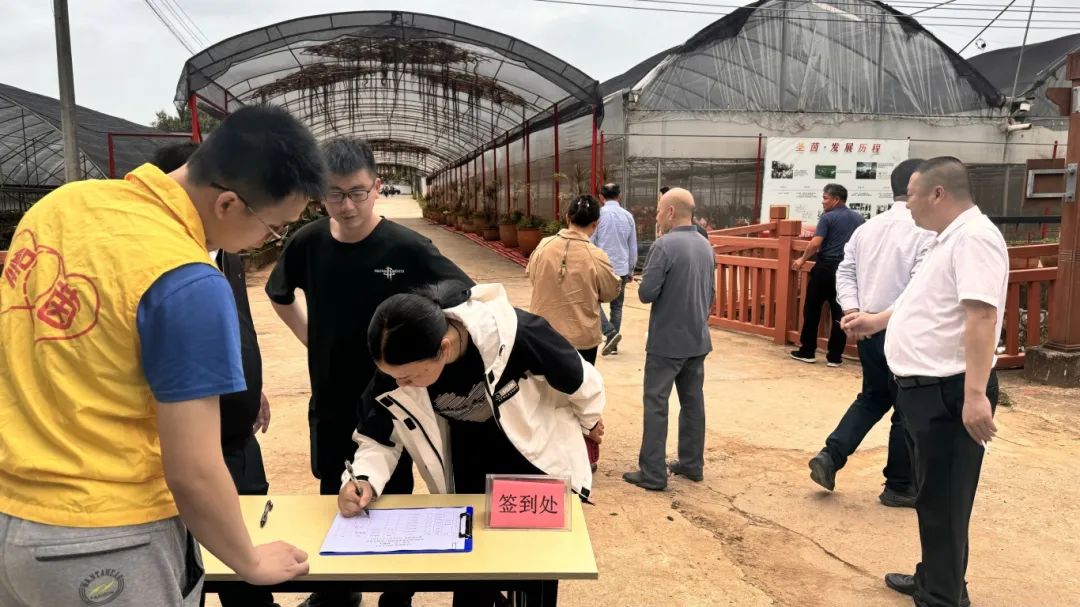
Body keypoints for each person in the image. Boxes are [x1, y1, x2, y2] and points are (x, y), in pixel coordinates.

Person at [0, 104, 323, 606]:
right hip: (104, 540)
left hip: (10, 515)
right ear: (228, 204)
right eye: (274, 227)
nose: (268, 241)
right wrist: (250, 562)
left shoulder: (62, 206)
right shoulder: (187, 278)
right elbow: (193, 470)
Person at [265, 137, 471, 607]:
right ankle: (337, 592)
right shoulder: (308, 243)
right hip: (332, 397)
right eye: (335, 194)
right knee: (335, 492)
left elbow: (463, 292)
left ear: (377, 187)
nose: (347, 205)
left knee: (392, 496)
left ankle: (396, 595)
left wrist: (427, 352)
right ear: (319, 193)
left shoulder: (407, 247)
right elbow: (280, 294)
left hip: (392, 399)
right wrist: (310, 337)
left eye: (358, 192)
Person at [341, 281, 604, 606]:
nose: (400, 384)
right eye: (394, 376)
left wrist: (591, 421)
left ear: (444, 348)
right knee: (472, 564)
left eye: (409, 377)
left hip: (531, 459)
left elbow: (579, 379)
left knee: (538, 564)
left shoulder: (514, 334)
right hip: (469, 462)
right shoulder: (398, 368)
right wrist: (364, 478)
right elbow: (377, 435)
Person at [842, 157, 1007, 607]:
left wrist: (975, 395)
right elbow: (923, 302)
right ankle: (936, 578)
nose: (906, 204)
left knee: (944, 504)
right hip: (925, 391)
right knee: (934, 498)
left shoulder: (974, 239)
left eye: (911, 195)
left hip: (949, 391)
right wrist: (877, 320)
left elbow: (982, 316)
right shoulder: (945, 239)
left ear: (938, 193)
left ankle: (941, 597)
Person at [150, 142, 278, 607]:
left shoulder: (228, 252)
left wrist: (251, 385)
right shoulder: (172, 267)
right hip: (196, 439)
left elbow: (241, 326)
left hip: (238, 434)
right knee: (197, 559)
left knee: (250, 534)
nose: (266, 237)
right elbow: (190, 469)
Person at [807, 159, 934, 508]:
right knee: (906, 408)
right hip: (905, 333)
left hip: (868, 332)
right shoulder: (927, 232)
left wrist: (853, 312)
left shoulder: (868, 228)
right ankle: (900, 484)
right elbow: (919, 288)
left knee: (874, 396)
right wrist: (878, 318)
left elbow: (845, 271)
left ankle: (831, 455)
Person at [623, 188, 715, 491]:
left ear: (671, 212)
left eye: (659, 210)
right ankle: (692, 464)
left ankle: (652, 472)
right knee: (692, 403)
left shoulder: (664, 246)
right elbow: (711, 295)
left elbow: (647, 293)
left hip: (666, 341)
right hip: (697, 338)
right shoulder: (705, 245)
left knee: (656, 403)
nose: (657, 216)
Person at [527, 194, 622, 471]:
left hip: (542, 337)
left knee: (543, 397)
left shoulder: (544, 246)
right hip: (581, 340)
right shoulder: (596, 255)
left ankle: (544, 455)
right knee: (581, 397)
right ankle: (583, 457)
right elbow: (610, 291)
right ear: (595, 224)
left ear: (567, 217)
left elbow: (531, 274)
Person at [790, 183, 865, 366]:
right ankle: (835, 356)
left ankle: (807, 351)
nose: (823, 202)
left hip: (825, 268)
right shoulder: (859, 219)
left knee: (812, 310)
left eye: (825, 198)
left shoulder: (828, 217)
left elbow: (816, 243)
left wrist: (802, 259)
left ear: (836, 199)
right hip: (847, 270)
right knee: (839, 312)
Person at [593, 182, 638, 355]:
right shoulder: (628, 217)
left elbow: (591, 242)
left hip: (601, 268)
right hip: (621, 269)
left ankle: (610, 333)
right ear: (619, 196)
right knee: (617, 306)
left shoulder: (598, 216)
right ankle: (613, 345)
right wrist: (631, 270)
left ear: (601, 197)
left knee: (591, 302)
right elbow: (632, 246)